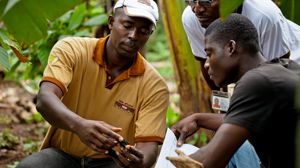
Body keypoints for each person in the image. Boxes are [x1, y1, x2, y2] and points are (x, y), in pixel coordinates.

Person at [17, 0, 169, 168]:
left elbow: (148, 148)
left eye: (143, 31)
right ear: (111, 22)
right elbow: (45, 99)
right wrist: (80, 126)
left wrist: (139, 161)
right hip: (63, 156)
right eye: (127, 25)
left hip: (112, 162)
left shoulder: (155, 86)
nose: (133, 35)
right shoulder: (72, 50)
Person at [170, 14, 298, 168]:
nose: (206, 64)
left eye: (209, 54)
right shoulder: (283, 67)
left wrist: (166, 160)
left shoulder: (255, 82)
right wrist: (198, 119)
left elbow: (207, 162)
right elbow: (243, 118)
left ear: (231, 47)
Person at [182, 0, 300, 89]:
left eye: (206, 0)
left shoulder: (264, 16)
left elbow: (279, 78)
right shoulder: (192, 18)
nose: (197, 9)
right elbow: (209, 68)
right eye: (190, 0)